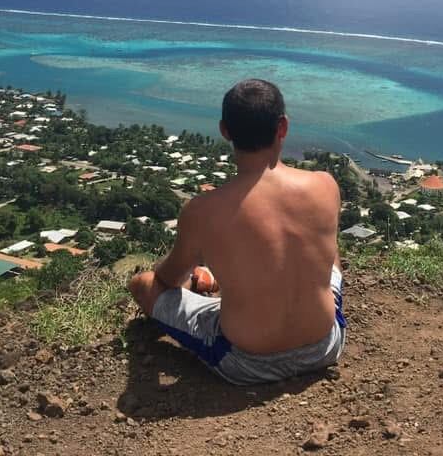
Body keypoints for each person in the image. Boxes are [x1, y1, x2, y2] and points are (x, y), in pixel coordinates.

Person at [128, 79, 346, 385]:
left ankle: (217, 282)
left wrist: (191, 277)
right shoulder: (325, 185)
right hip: (325, 346)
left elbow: (167, 280)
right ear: (282, 127)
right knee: (328, 249)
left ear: (225, 130)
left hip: (247, 361)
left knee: (143, 284)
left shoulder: (203, 210)